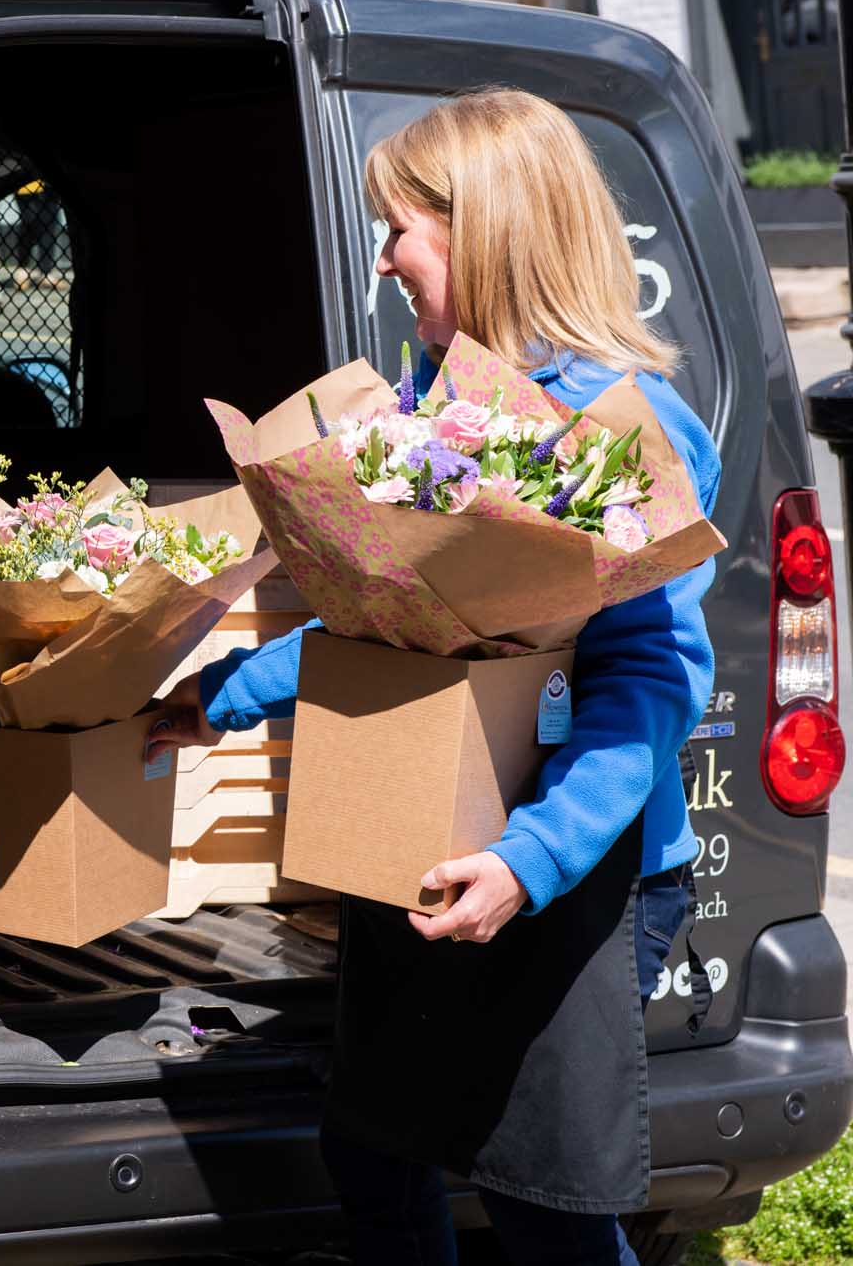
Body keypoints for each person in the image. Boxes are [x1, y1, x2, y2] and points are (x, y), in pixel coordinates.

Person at [149, 88, 719, 1265]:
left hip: (567, 869)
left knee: (539, 1196)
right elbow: (394, 629)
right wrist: (224, 693)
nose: (383, 256)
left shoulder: (622, 428)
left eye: (398, 227)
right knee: (372, 1148)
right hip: (425, 828)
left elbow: (644, 690)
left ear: (484, 229)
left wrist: (525, 862)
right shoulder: (424, 411)